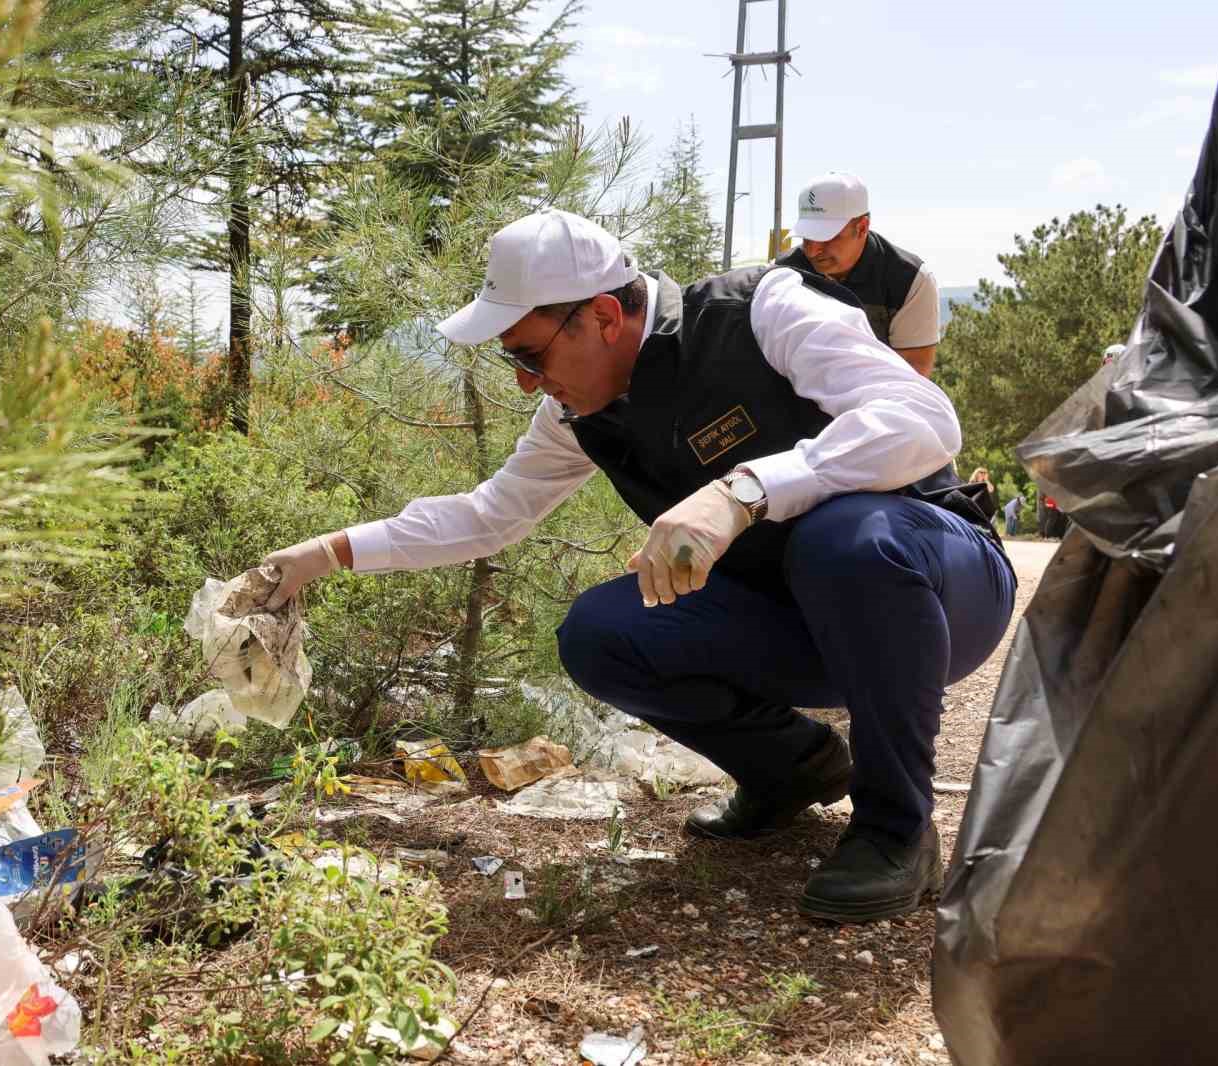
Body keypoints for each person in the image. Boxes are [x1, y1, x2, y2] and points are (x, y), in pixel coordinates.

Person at [262, 209, 1015, 924]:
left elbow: (923, 419)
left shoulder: (765, 310)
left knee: (845, 536)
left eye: (530, 355)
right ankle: (791, 770)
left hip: (939, 583)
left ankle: (897, 829)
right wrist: (320, 555)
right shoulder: (578, 415)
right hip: (804, 618)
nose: (526, 381)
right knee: (601, 632)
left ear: (601, 314)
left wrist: (745, 491)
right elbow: (489, 515)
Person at [777, 172, 941, 378]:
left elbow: (912, 374)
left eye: (826, 238)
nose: (812, 251)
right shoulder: (784, 273)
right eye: (807, 238)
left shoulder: (910, 280)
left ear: (862, 227)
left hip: (875, 400)